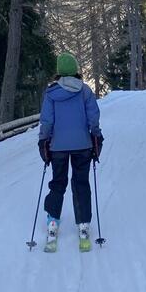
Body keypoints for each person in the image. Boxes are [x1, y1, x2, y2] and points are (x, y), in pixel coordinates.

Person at [38, 52, 103, 252]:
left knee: (58, 183)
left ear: (59, 71)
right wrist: (96, 135)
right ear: (75, 70)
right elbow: (93, 117)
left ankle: (52, 224)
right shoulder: (84, 91)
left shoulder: (51, 94)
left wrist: (43, 140)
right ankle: (83, 226)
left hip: (58, 146)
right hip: (83, 145)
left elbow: (47, 121)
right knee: (81, 183)